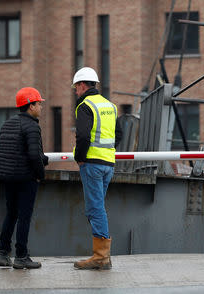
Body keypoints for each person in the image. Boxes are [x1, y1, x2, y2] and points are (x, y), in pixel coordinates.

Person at [0, 87, 48, 269]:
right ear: (31, 106)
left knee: (11, 214)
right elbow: (33, 155)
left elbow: (13, 152)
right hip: (25, 178)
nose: (41, 107)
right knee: (24, 217)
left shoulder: (8, 123)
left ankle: (3, 253)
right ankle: (21, 256)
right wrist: (40, 174)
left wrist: (41, 158)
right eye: (39, 104)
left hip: (8, 177)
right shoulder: (32, 126)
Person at [72, 67, 122, 270]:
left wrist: (79, 157)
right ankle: (102, 256)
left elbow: (82, 136)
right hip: (108, 163)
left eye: (76, 88)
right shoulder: (110, 105)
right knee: (98, 206)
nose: (76, 92)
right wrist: (107, 152)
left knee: (95, 209)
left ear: (83, 85)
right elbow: (119, 134)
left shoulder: (85, 105)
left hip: (91, 164)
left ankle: (101, 257)